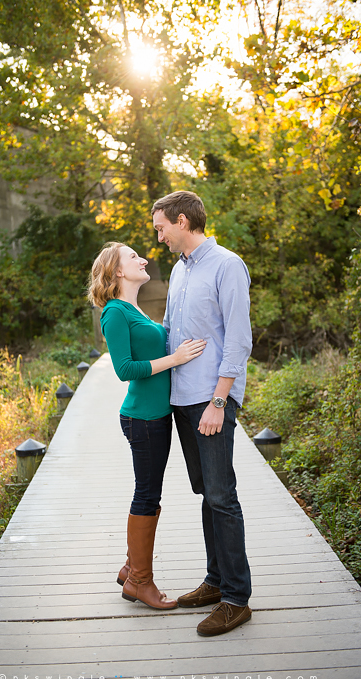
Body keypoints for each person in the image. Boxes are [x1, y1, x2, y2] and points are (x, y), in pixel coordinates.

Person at [152, 191, 252, 636]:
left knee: (222, 496)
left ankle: (235, 598)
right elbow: (172, 332)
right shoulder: (177, 271)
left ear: (181, 220)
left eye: (160, 228)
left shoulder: (227, 264)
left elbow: (239, 338)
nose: (159, 237)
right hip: (182, 398)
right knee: (206, 494)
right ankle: (214, 581)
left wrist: (219, 400)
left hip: (212, 399)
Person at [87, 241, 206, 610]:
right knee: (147, 495)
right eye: (134, 257)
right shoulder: (114, 313)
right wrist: (175, 358)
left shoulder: (133, 308)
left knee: (149, 493)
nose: (144, 259)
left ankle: (130, 567)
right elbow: (124, 370)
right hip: (142, 418)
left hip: (155, 416)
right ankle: (141, 580)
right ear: (118, 271)